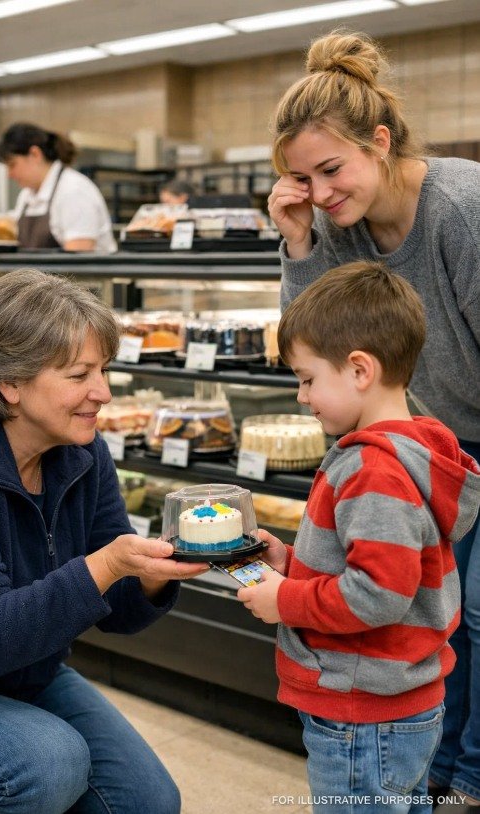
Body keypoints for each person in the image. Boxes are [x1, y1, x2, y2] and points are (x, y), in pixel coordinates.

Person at [267, 30, 480, 809]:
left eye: (331, 169)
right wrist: (298, 243)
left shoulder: (461, 207)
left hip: (453, 445)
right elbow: (318, 338)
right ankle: (428, 780)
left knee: (476, 615)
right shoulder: (335, 221)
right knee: (437, 619)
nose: (319, 192)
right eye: (300, 178)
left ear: (380, 141)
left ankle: (469, 781)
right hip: (422, 443)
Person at [0, 268, 209, 814]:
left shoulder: (80, 450)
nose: (103, 393)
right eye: (80, 374)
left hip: (27, 671)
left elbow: (120, 615)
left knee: (148, 800)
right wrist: (105, 565)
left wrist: (152, 574)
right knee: (46, 763)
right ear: (8, 384)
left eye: (103, 370)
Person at [237, 261, 480, 814]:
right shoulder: (414, 451)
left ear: (359, 370)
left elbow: (377, 594)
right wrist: (292, 560)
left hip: (362, 710)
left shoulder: (375, 469)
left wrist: (285, 600)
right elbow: (385, 565)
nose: (301, 396)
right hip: (396, 700)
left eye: (307, 378)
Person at [0, 123, 116, 253]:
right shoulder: (26, 196)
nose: (9, 175)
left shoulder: (73, 190)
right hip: (39, 273)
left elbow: (78, 260)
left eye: (12, 165)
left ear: (35, 154)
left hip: (75, 273)